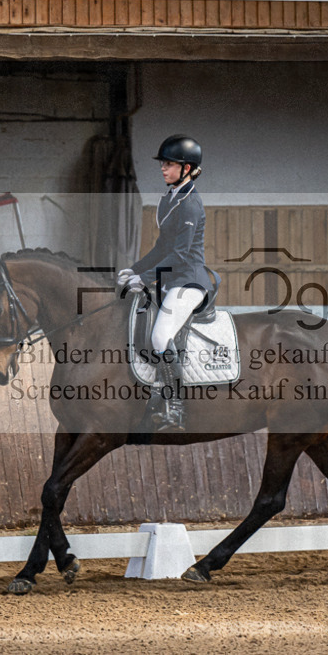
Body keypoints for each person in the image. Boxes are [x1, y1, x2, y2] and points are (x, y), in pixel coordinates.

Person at [117, 134, 210, 432]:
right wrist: (133, 269)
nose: (163, 169)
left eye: (169, 164)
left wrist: (144, 279)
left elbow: (181, 255)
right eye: (163, 164)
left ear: (187, 168)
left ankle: (175, 406)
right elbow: (161, 248)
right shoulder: (169, 199)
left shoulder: (191, 204)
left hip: (189, 281)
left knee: (159, 338)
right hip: (171, 277)